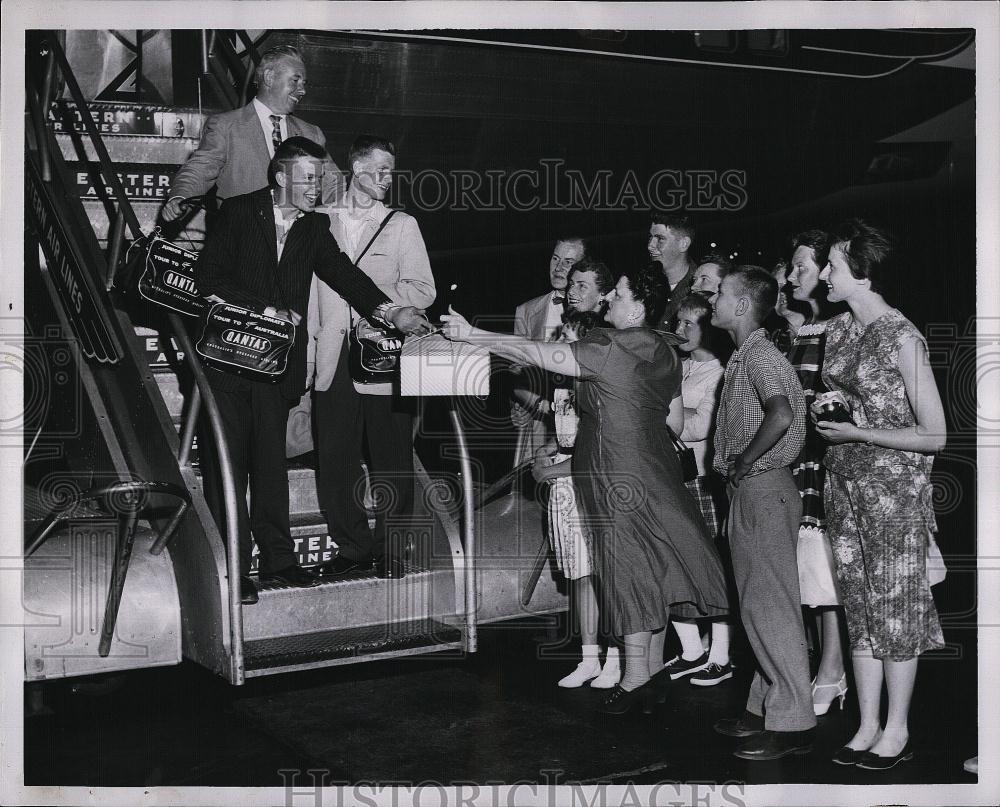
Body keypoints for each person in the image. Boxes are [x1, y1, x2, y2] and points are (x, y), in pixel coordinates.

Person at [442, 262, 729, 716]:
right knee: (653, 568)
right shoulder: (664, 348)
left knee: (628, 570)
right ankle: (650, 674)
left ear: (637, 306)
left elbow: (542, 355)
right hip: (653, 467)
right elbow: (673, 421)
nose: (610, 299)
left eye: (618, 292)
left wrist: (472, 336)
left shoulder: (612, 343)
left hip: (615, 472)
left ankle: (635, 678)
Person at [194, 137, 430, 605]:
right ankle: (236, 567)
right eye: (308, 178)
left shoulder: (315, 227)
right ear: (280, 177)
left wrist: (391, 312)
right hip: (228, 362)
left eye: (321, 177)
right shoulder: (239, 212)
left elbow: (345, 275)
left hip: (275, 365)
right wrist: (264, 309)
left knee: (269, 468)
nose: (317, 186)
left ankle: (280, 560)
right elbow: (209, 279)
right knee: (232, 468)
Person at [815, 220, 946, 770]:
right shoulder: (840, 331)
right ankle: (866, 724)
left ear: (863, 275)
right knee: (860, 609)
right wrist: (828, 412)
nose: (824, 274)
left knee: (895, 611)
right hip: (844, 484)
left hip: (893, 491)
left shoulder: (902, 337)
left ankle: (897, 727)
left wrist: (860, 431)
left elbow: (935, 433)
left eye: (833, 267)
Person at [309, 135, 436, 580]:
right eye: (379, 169)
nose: (387, 179)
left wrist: (375, 308)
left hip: (381, 358)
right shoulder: (318, 220)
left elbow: (423, 290)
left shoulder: (401, 224)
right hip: (331, 356)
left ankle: (392, 550)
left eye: (390, 171)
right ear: (355, 168)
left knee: (391, 457)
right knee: (335, 459)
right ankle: (353, 548)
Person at [709, 266, 817, 760]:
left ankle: (793, 722)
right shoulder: (746, 355)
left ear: (744, 305)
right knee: (758, 604)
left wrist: (745, 461)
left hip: (763, 488)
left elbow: (782, 414)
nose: (713, 300)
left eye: (721, 295)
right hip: (753, 492)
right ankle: (762, 708)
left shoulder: (761, 356)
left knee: (772, 605)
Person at [531, 309, 620, 689]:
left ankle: (616, 657)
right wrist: (544, 452)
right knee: (580, 576)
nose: (560, 348)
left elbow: (596, 454)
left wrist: (551, 471)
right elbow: (565, 439)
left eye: (568, 340)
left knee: (606, 575)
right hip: (565, 492)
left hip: (592, 488)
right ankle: (589, 657)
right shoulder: (564, 389)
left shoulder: (601, 390)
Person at [785, 229, 850, 716]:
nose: (791, 277)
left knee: (830, 573)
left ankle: (833, 668)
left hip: (830, 463)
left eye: (800, 267)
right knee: (816, 576)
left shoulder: (841, 329)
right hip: (802, 463)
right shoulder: (801, 331)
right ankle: (828, 666)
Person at [161, 45, 337, 223]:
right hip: (241, 243)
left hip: (295, 245)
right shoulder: (226, 126)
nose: (303, 90)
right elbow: (200, 169)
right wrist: (180, 196)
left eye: (304, 84)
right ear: (269, 77)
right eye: (295, 80)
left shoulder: (312, 133)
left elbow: (333, 185)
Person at [665, 294, 734, 687]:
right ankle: (691, 649)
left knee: (712, 565)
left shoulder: (722, 372)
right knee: (676, 561)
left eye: (690, 323)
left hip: (704, 480)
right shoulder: (682, 367)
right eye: (679, 322)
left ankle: (721, 655)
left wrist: (669, 412)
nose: (680, 330)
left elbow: (699, 427)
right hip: (674, 476)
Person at [510, 238, 588, 466]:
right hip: (539, 428)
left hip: (584, 426)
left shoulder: (598, 310)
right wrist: (519, 406)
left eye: (568, 261)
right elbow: (516, 371)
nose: (558, 267)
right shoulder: (526, 311)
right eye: (555, 259)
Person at [646, 211, 697, 329]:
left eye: (660, 239)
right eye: (650, 237)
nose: (650, 246)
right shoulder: (645, 283)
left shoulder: (701, 288)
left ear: (684, 244)